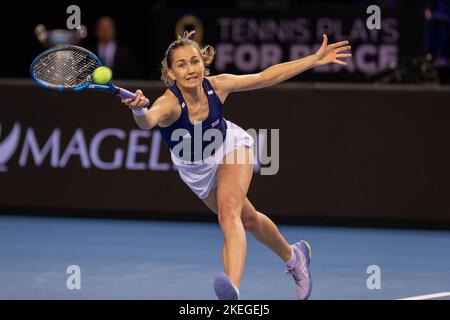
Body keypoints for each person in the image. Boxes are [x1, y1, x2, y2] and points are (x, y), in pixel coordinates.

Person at [122, 31, 351, 300]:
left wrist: (312, 60)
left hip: (230, 147)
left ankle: (232, 288)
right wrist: (138, 110)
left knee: (228, 213)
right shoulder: (168, 105)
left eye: (194, 61)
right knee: (249, 220)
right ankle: (295, 256)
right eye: (181, 65)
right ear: (171, 73)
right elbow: (147, 122)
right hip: (196, 170)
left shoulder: (218, 85)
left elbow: (265, 77)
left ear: (203, 64)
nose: (190, 69)